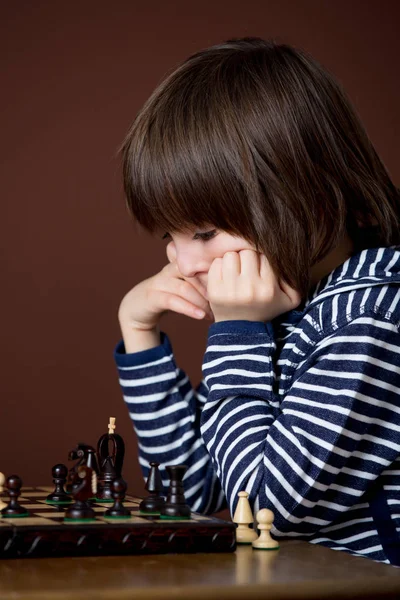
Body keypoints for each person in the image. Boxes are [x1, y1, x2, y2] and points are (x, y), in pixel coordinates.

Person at [114, 37, 400, 564]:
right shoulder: (289, 309)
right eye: (167, 239)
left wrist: (238, 334)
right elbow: (196, 493)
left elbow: (264, 505)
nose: (183, 262)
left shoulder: (368, 318)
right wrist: (141, 338)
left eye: (203, 231)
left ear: (308, 192)